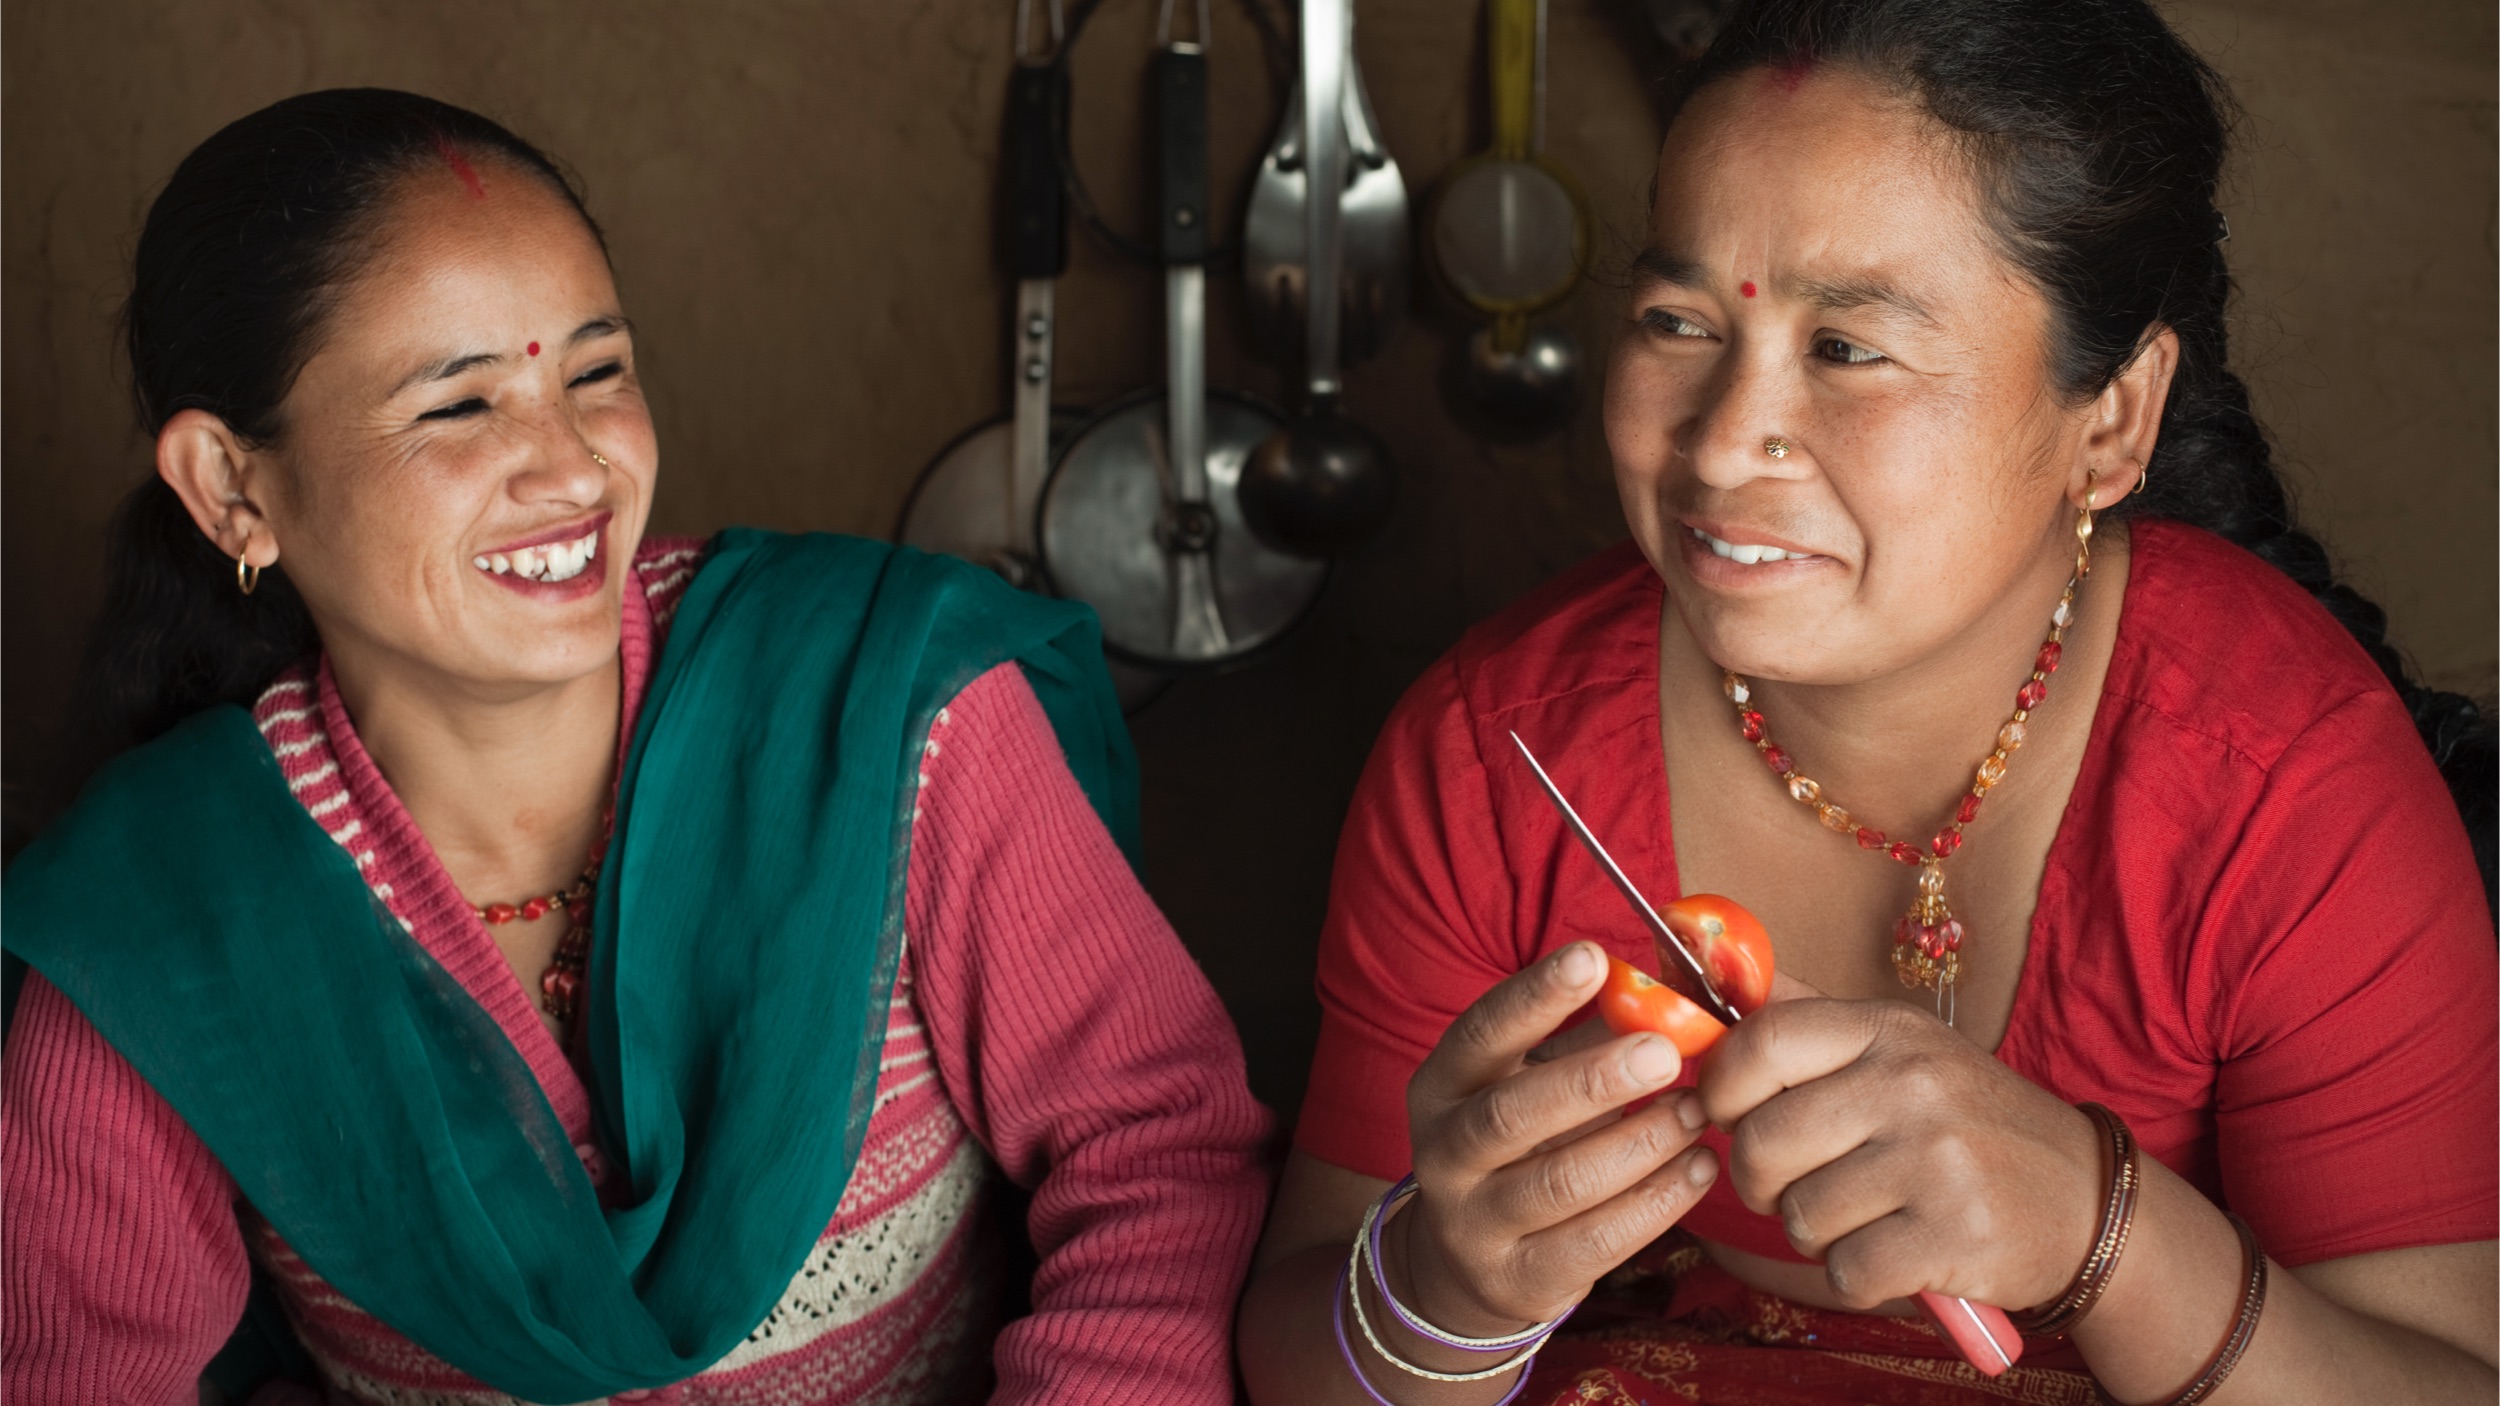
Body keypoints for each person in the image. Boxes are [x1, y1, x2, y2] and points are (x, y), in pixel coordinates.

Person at [1238, 1, 2498, 1402]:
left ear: (2116, 418)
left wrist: (2104, 1233)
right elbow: (1303, 1344)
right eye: (1675, 319)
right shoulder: (1495, 758)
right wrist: (1441, 1292)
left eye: (1848, 348)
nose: (1721, 442)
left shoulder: (2287, 787)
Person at [2, 89, 1273, 1405]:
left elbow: (1156, 1154)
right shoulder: (159, 929)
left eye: (596, 373)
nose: (570, 466)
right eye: (459, 405)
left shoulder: (885, 717)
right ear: (230, 486)